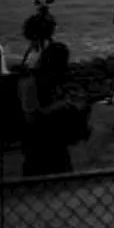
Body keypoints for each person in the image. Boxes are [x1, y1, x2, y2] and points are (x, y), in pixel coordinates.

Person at [18, 42, 90, 176]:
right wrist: (58, 106)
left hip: (52, 134)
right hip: (38, 137)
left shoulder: (53, 79)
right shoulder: (30, 82)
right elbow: (32, 118)